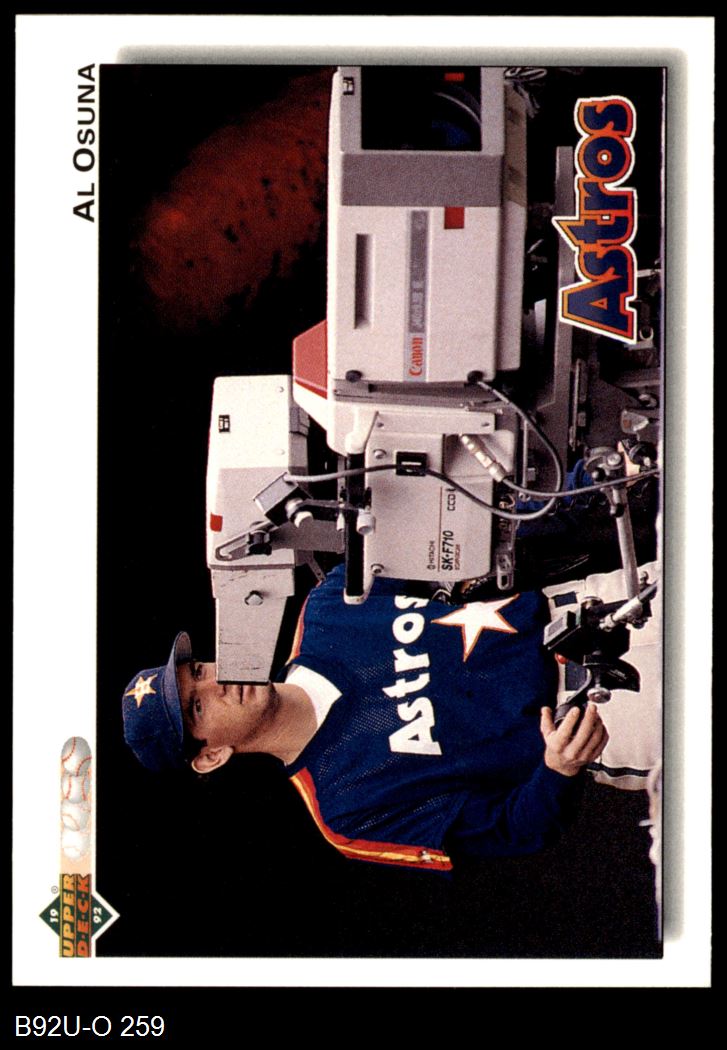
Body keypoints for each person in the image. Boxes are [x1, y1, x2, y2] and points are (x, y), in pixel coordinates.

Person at [122, 562, 639, 873]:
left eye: (199, 670)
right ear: (211, 756)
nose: (216, 682)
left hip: (596, 605)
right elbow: (512, 828)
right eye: (197, 705)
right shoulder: (345, 812)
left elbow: (465, 530)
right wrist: (558, 769)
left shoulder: (328, 606)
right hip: (608, 716)